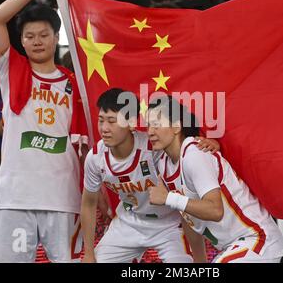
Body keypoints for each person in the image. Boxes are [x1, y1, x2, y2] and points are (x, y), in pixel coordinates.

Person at [0, 0, 88, 262]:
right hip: (15, 197)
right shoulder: (12, 70)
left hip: (63, 197)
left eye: (44, 35)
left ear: (57, 38)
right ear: (20, 41)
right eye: (29, 36)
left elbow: (81, 143)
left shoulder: (74, 82)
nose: (37, 41)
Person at [81, 88, 220, 263]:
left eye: (112, 121)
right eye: (101, 120)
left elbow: (184, 148)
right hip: (129, 222)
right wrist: (88, 254)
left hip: (169, 225)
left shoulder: (154, 147)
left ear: (131, 123)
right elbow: (88, 204)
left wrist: (209, 143)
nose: (104, 128)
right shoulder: (95, 158)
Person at [147, 95, 283, 263]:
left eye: (156, 125)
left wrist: (169, 198)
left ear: (177, 126)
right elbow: (187, 216)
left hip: (256, 239)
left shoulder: (194, 154)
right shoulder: (164, 164)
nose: (149, 132)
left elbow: (215, 210)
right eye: (148, 125)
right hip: (231, 247)